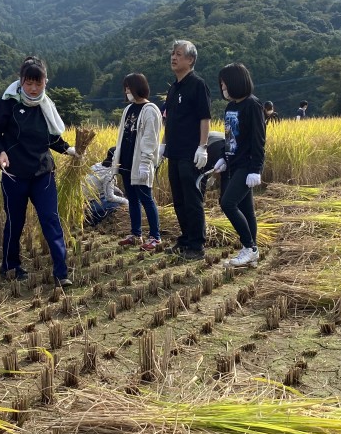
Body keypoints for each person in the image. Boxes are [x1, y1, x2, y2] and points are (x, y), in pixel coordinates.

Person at [0, 55, 77, 287]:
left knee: (50, 219)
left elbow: (52, 138)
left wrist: (69, 149)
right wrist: (1, 152)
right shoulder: (7, 103)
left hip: (42, 173)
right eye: (29, 83)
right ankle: (10, 265)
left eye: (39, 83)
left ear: (46, 81)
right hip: (14, 173)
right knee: (14, 222)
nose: (34, 88)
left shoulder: (47, 106)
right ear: (21, 81)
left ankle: (61, 272)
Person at [211, 64, 265, 268]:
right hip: (233, 163)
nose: (222, 87)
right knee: (246, 208)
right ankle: (253, 251)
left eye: (224, 83)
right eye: (221, 84)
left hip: (247, 165)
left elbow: (258, 139)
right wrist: (224, 158)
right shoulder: (231, 106)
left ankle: (249, 247)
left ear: (235, 82)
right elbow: (229, 137)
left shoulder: (252, 105)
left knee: (227, 203)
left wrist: (255, 169)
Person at [163, 39, 212, 261]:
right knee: (179, 198)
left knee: (192, 199)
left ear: (191, 60)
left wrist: (202, 147)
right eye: (173, 53)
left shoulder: (197, 84)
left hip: (191, 152)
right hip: (174, 151)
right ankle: (185, 238)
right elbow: (169, 120)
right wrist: (163, 144)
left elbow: (205, 118)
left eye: (179, 54)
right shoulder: (173, 88)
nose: (174, 57)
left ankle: (197, 245)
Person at [112, 72, 163, 251]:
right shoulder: (128, 109)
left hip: (140, 162)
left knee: (146, 198)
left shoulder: (150, 110)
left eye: (128, 87)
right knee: (132, 199)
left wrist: (145, 162)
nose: (126, 91)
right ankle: (136, 234)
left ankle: (155, 237)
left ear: (137, 87)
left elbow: (150, 138)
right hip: (126, 162)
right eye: (125, 88)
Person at [85, 147, 127, 228]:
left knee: (116, 196)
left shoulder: (96, 166)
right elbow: (110, 197)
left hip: (84, 203)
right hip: (91, 207)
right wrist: (127, 202)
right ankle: (94, 220)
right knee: (116, 204)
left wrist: (117, 190)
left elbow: (100, 183)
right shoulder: (110, 173)